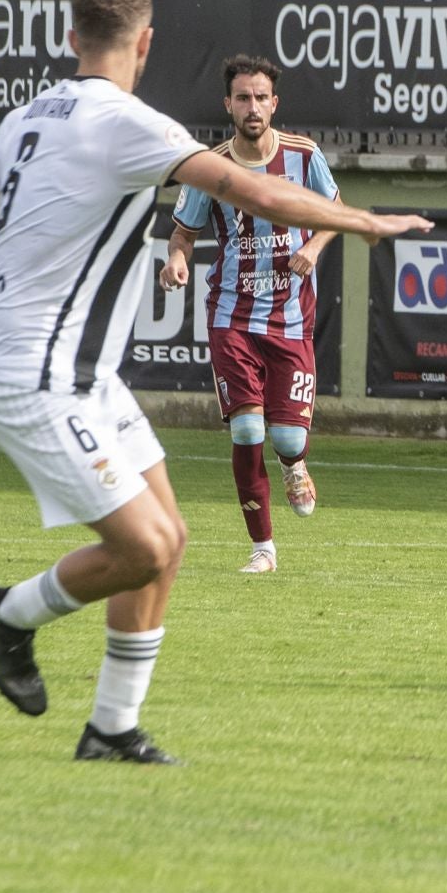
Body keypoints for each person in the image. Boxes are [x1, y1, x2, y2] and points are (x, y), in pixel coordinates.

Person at [0, 0, 427, 762]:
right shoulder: (134, 124)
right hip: (36, 375)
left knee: (170, 536)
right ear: (146, 42)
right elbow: (254, 191)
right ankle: (9, 613)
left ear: (71, 37)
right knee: (144, 546)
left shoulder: (29, 116)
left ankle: (113, 727)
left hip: (79, 375)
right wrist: (362, 219)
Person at [160, 56, 338, 573]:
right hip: (231, 316)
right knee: (245, 433)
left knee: (286, 438)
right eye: (243, 97)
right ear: (228, 105)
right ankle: (263, 549)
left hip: (289, 316)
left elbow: (334, 211)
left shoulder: (304, 156)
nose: (253, 106)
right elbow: (183, 234)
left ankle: (294, 463)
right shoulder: (209, 168)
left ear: (274, 104)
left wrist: (316, 246)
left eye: (261, 97)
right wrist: (176, 260)